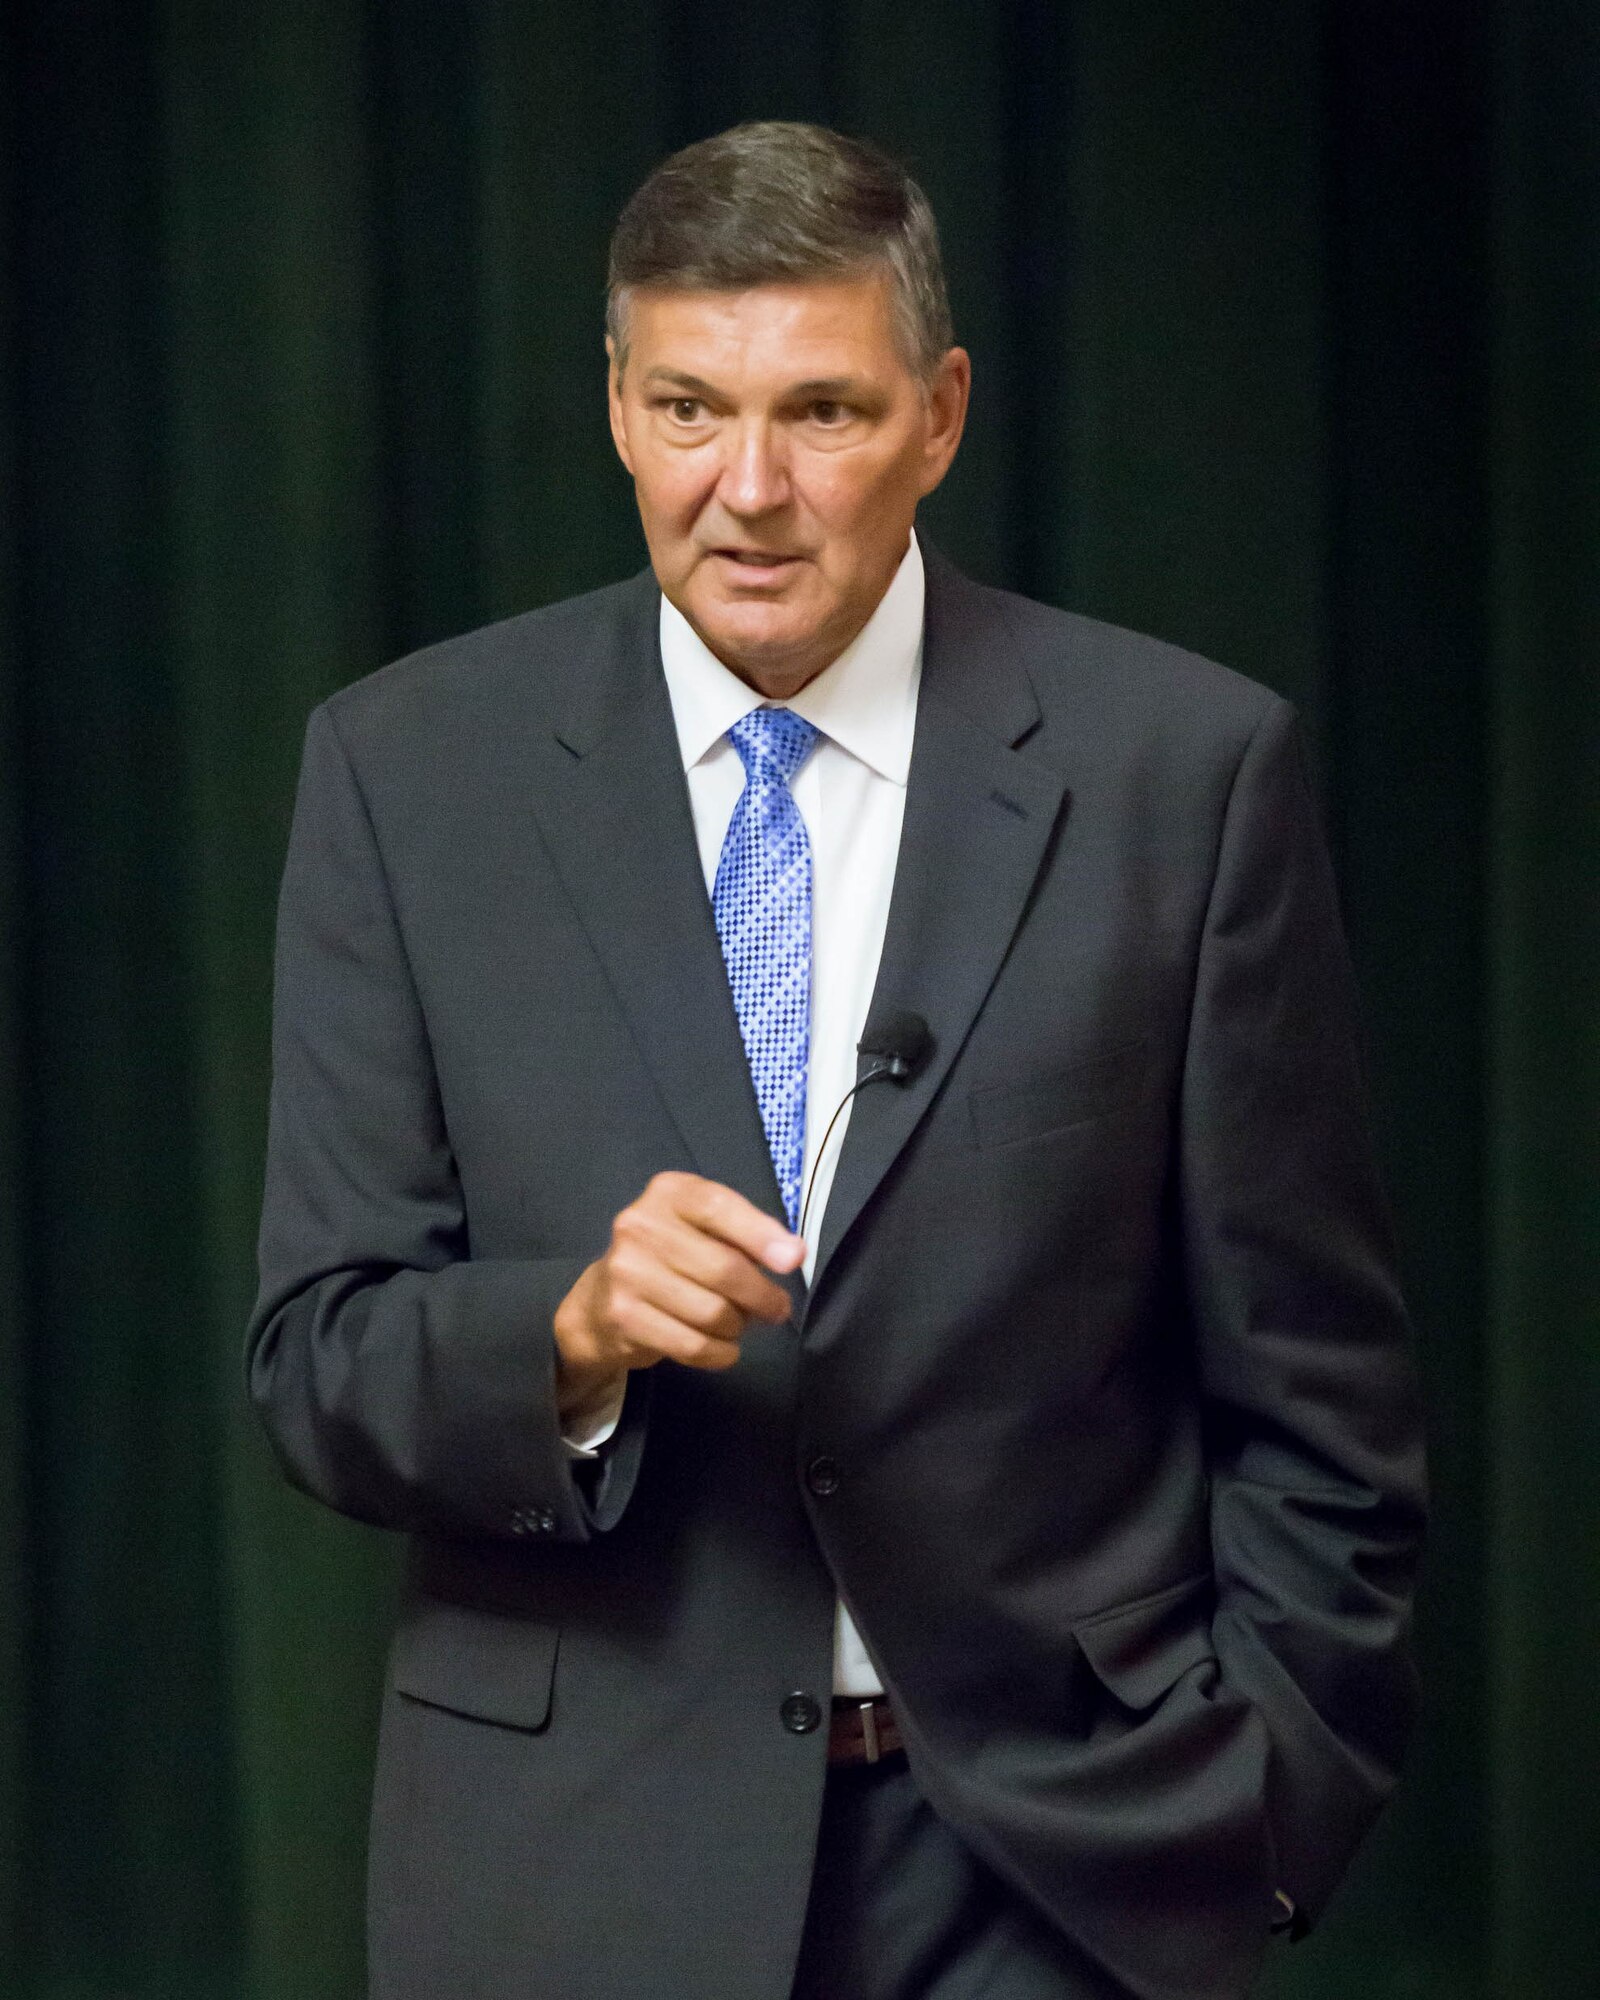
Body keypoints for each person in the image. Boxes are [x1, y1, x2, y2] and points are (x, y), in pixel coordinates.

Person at [247, 121, 1426, 2000]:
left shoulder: (1183, 776)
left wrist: (1266, 1815)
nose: (753, 490)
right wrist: (566, 1336)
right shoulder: (410, 774)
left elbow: (1322, 1407)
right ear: (618, 409)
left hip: (1057, 1879)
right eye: (693, 410)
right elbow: (314, 1360)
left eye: (825, 413)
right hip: (569, 1881)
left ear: (941, 417)